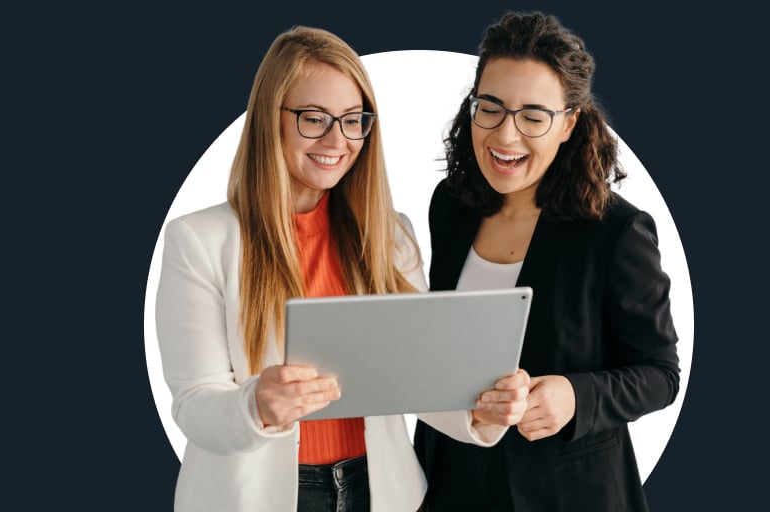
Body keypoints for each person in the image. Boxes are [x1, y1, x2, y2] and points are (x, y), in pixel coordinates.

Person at [155, 26, 529, 512]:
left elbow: (414, 374)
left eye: (354, 121)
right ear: (272, 120)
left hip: (377, 490)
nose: (338, 139)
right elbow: (193, 403)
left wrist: (482, 411)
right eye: (315, 118)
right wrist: (256, 405)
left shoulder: (391, 234)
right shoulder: (199, 240)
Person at [413, 12, 680, 512]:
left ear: (568, 125)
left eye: (533, 116)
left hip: (569, 492)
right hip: (450, 478)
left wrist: (577, 397)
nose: (505, 136)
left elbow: (660, 372)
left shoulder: (616, 232)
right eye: (490, 108)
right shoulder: (450, 204)